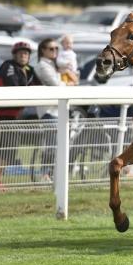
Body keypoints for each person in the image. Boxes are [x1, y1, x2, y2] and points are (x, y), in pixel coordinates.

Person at [0, 41, 41, 183]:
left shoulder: (30, 70)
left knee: (8, 145)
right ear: (14, 55)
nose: (23, 55)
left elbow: (39, 85)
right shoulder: (9, 66)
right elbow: (12, 85)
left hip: (11, 112)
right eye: (20, 53)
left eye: (26, 53)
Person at [34, 38, 75, 181]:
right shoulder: (42, 66)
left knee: (59, 145)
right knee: (52, 145)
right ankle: (44, 173)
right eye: (51, 49)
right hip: (48, 111)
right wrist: (67, 83)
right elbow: (56, 85)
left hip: (58, 110)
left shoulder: (53, 65)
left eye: (56, 49)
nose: (55, 51)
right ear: (43, 51)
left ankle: (51, 173)